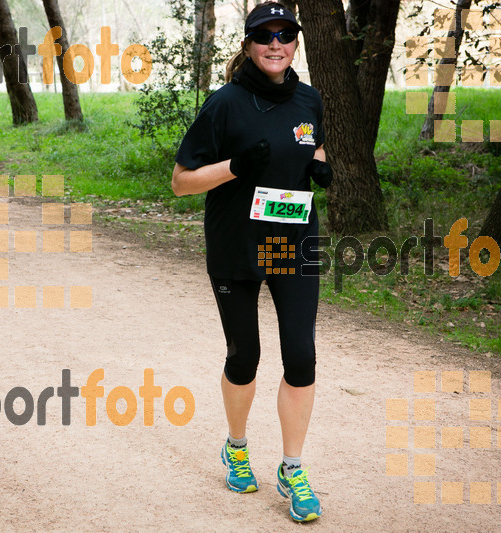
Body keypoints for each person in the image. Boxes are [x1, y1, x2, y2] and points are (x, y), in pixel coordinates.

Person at [171, 1, 332, 523]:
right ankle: (236, 447)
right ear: (248, 45)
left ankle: (291, 467)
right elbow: (181, 182)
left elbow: (314, 147)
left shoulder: (310, 99)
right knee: (246, 358)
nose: (276, 43)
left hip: (294, 241)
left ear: (295, 44)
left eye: (286, 35)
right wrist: (236, 167)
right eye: (265, 35)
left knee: (301, 357)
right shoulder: (224, 104)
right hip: (236, 245)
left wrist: (321, 168)